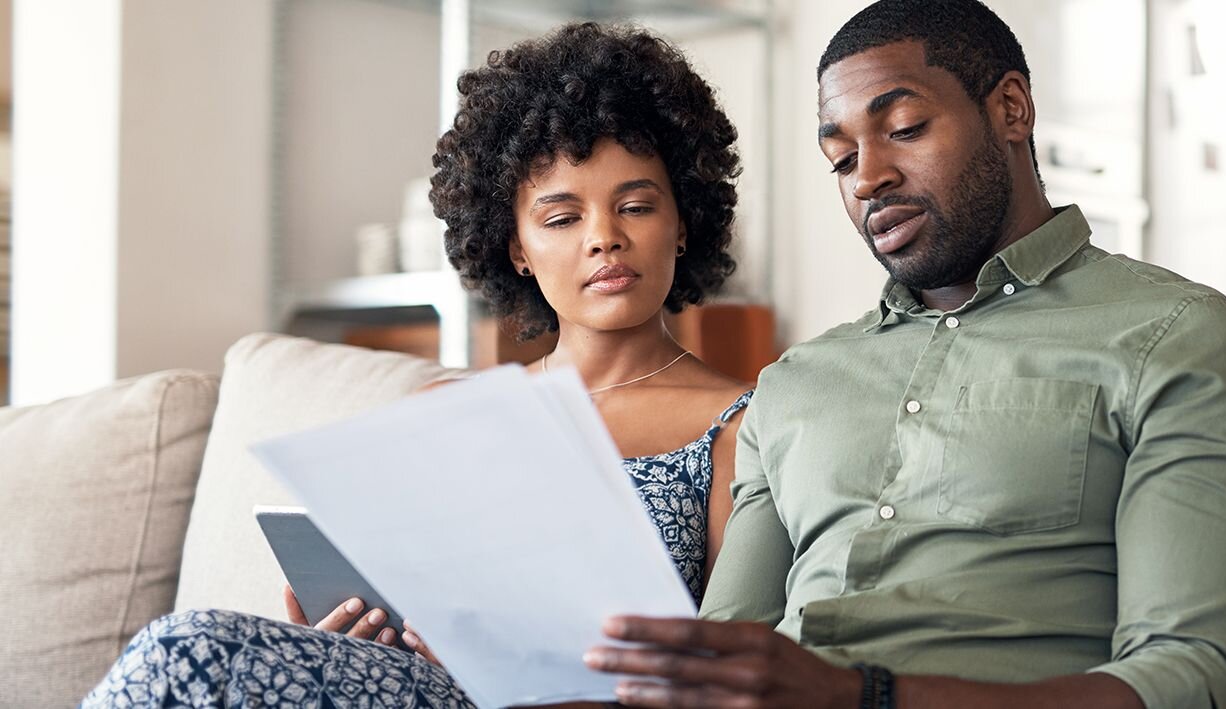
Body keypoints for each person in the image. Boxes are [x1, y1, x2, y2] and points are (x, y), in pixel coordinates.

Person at [582, 1, 1226, 708]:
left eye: (904, 128)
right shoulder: (796, 382)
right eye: (841, 157)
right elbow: (722, 650)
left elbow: (1191, 679)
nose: (867, 178)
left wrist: (861, 696)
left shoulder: (1173, 336)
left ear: (1010, 108)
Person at [83, 23, 752, 708]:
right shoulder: (450, 415)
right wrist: (346, 642)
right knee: (189, 649)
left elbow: (736, 670)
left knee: (187, 649)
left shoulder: (741, 427)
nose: (603, 237)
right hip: (415, 691)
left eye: (635, 206)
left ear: (683, 221)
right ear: (514, 246)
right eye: (560, 218)